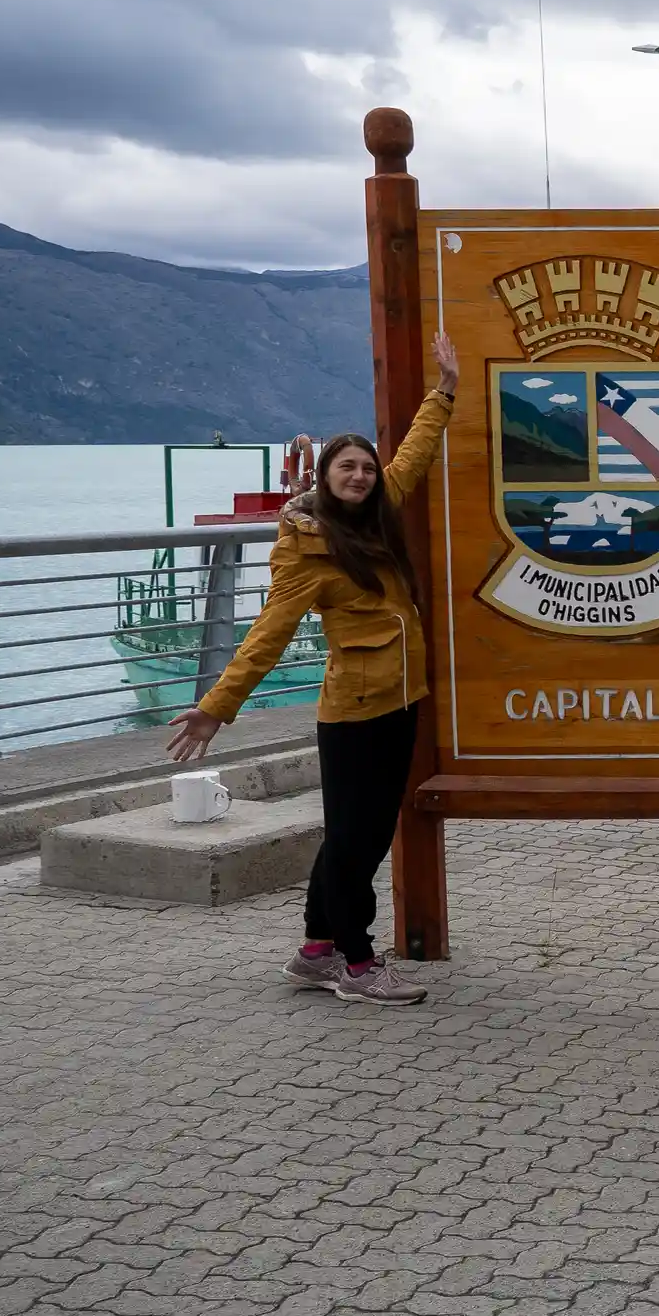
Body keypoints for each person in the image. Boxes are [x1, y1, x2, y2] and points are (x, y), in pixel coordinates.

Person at [168, 332, 459, 1005]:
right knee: (360, 840)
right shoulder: (305, 545)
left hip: (399, 698)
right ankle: (358, 965)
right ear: (324, 477)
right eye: (346, 468)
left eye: (364, 466)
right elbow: (269, 634)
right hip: (357, 713)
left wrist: (443, 391)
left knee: (353, 835)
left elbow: (413, 455)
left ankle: (315, 949)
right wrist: (218, 705)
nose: (359, 475)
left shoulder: (378, 511)